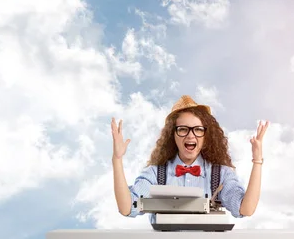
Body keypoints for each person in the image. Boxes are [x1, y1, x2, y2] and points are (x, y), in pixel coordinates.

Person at [111, 94, 269, 222]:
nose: (190, 135)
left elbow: (245, 209)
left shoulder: (221, 175)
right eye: (183, 129)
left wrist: (257, 161)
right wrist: (117, 160)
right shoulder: (155, 174)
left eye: (198, 129)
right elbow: (127, 208)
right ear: (172, 135)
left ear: (206, 135)